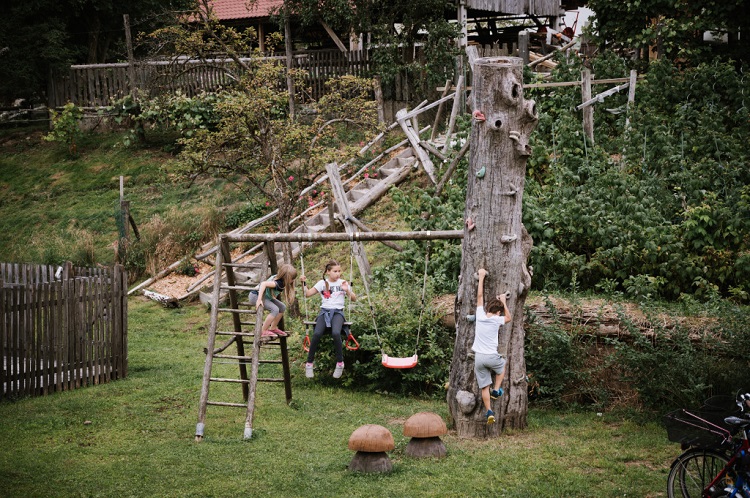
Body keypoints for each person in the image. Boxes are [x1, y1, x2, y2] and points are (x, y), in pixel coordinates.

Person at [300, 260, 356, 379]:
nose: (338, 274)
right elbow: (307, 294)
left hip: (338, 313)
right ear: (328, 272)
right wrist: (303, 283)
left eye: (339, 271)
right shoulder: (322, 283)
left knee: (336, 333)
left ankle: (340, 363)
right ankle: (309, 363)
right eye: (335, 271)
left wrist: (347, 290)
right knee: (316, 334)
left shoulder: (343, 283)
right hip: (324, 312)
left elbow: (354, 299)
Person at [472, 268, 512, 425]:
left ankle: (489, 411)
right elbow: (508, 317)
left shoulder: (480, 316)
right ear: (498, 312)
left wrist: (481, 276)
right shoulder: (497, 320)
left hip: (479, 358)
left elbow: (480, 296)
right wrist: (504, 301)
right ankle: (496, 389)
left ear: (488, 309)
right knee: (502, 367)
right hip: (491, 356)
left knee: (483, 387)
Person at [248, 263, 298, 339]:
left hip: (266, 297)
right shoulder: (278, 283)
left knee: (282, 307)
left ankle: (273, 328)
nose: (293, 280)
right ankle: (263, 330)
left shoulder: (282, 281)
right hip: (255, 296)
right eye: (292, 279)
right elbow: (263, 284)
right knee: (275, 309)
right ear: (286, 278)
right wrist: (259, 300)